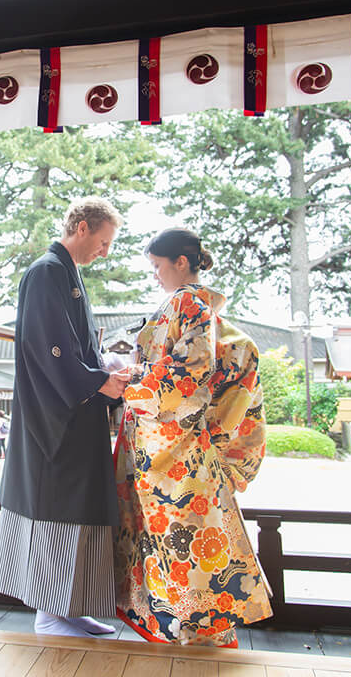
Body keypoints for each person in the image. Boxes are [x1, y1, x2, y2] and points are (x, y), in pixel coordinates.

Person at [114, 228, 272, 647]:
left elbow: (186, 378)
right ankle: (204, 636)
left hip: (177, 455)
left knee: (182, 548)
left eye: (156, 266)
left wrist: (129, 380)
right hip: (196, 455)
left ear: (180, 263)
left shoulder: (185, 304)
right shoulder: (210, 315)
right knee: (200, 549)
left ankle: (192, 636)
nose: (154, 276)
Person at [0, 197, 130, 638]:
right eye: (104, 242)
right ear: (83, 227)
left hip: (75, 410)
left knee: (78, 509)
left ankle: (68, 608)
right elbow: (48, 348)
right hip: (55, 418)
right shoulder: (47, 272)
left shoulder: (66, 275)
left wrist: (100, 372)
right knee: (59, 508)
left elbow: (75, 349)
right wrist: (94, 381)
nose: (104, 252)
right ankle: (50, 612)